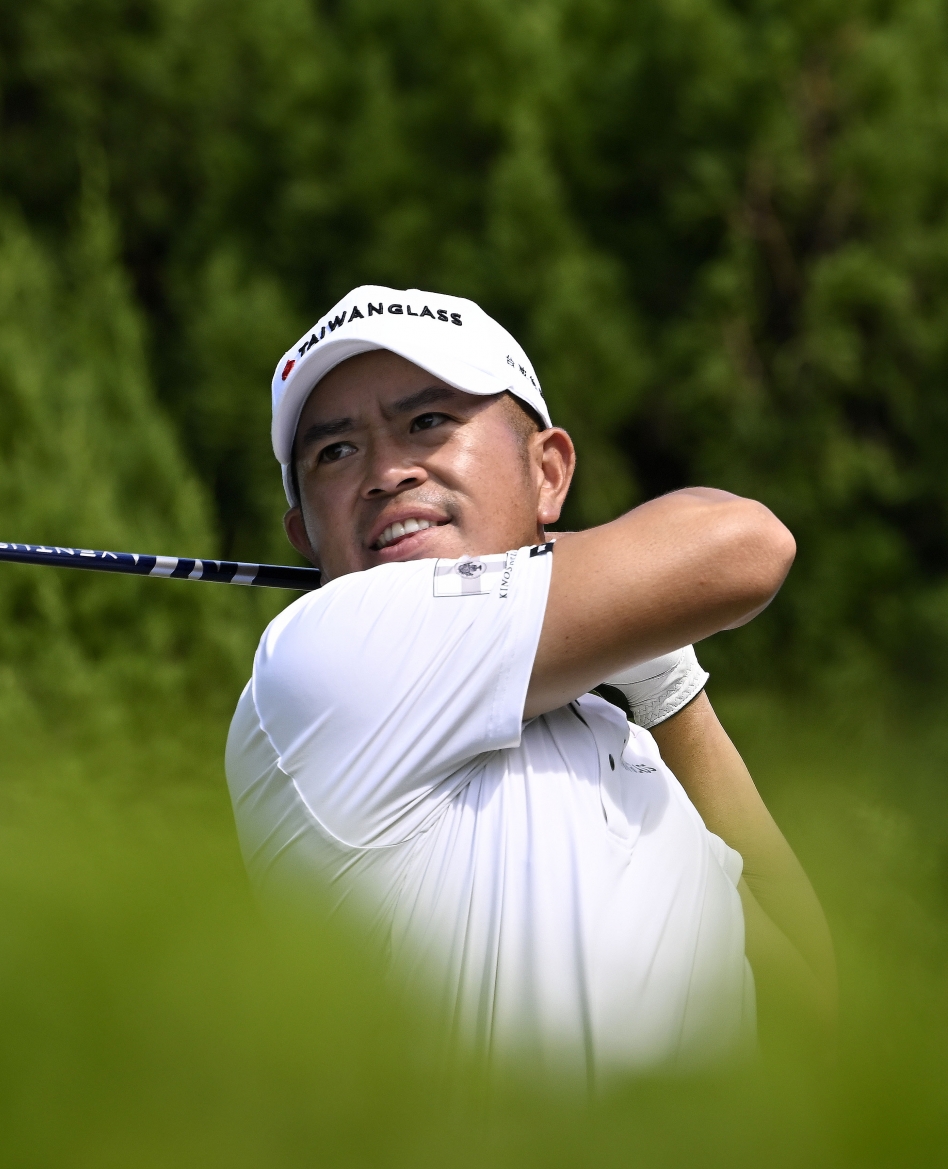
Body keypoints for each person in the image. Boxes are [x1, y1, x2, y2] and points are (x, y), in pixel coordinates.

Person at [225, 285, 836, 1083]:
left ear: (548, 472)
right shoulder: (321, 654)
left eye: (427, 422)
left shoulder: (618, 740)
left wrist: (667, 692)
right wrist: (609, 584)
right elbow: (745, 541)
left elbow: (807, 994)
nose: (385, 472)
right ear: (306, 534)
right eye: (334, 452)